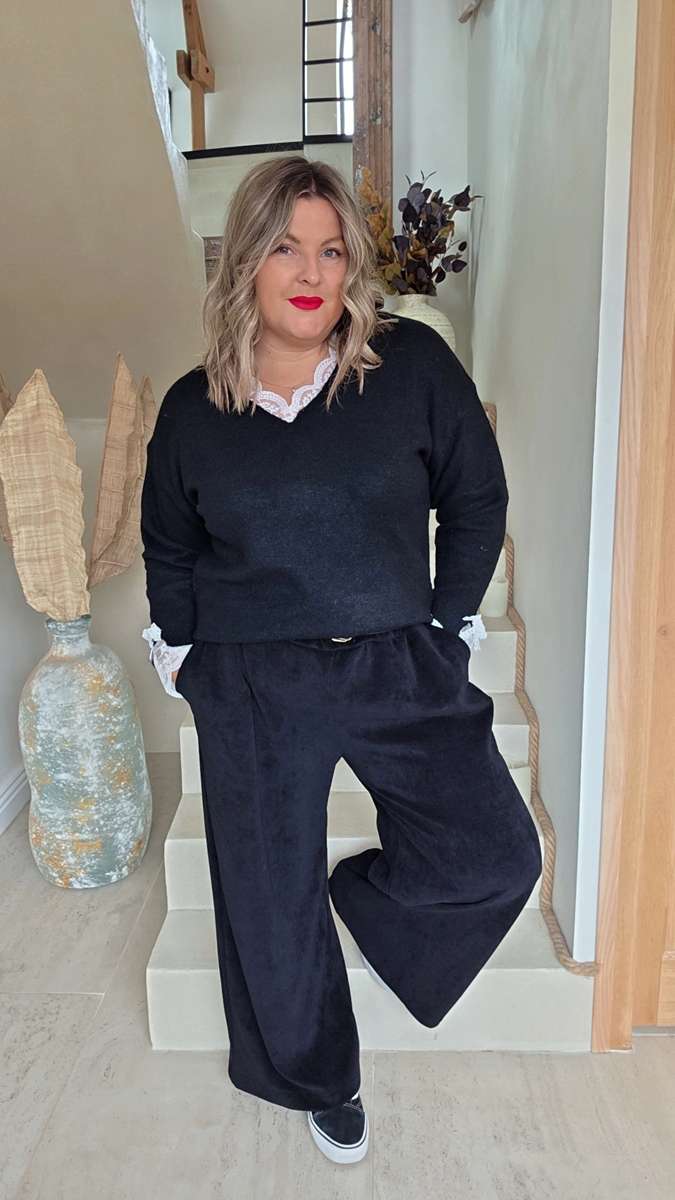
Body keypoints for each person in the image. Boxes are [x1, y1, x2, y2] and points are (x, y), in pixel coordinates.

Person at [140, 154, 542, 1165]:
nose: (311, 272)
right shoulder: (192, 409)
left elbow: (477, 497)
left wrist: (449, 623)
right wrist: (181, 652)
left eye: (330, 250)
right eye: (286, 247)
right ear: (246, 261)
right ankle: (318, 1077)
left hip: (396, 656)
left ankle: (364, 901)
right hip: (252, 675)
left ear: (353, 263)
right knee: (265, 896)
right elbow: (169, 545)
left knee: (496, 853)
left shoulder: (410, 367)